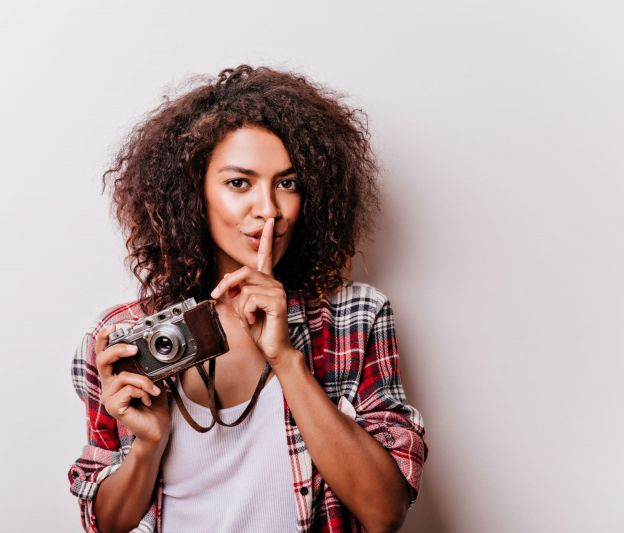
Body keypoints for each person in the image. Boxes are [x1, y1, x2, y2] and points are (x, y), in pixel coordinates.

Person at [68, 64, 427, 533]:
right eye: (239, 183)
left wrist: (285, 358)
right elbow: (107, 524)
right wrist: (148, 445)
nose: (270, 210)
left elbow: (384, 511)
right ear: (193, 193)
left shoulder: (353, 318)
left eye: (288, 182)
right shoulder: (126, 337)